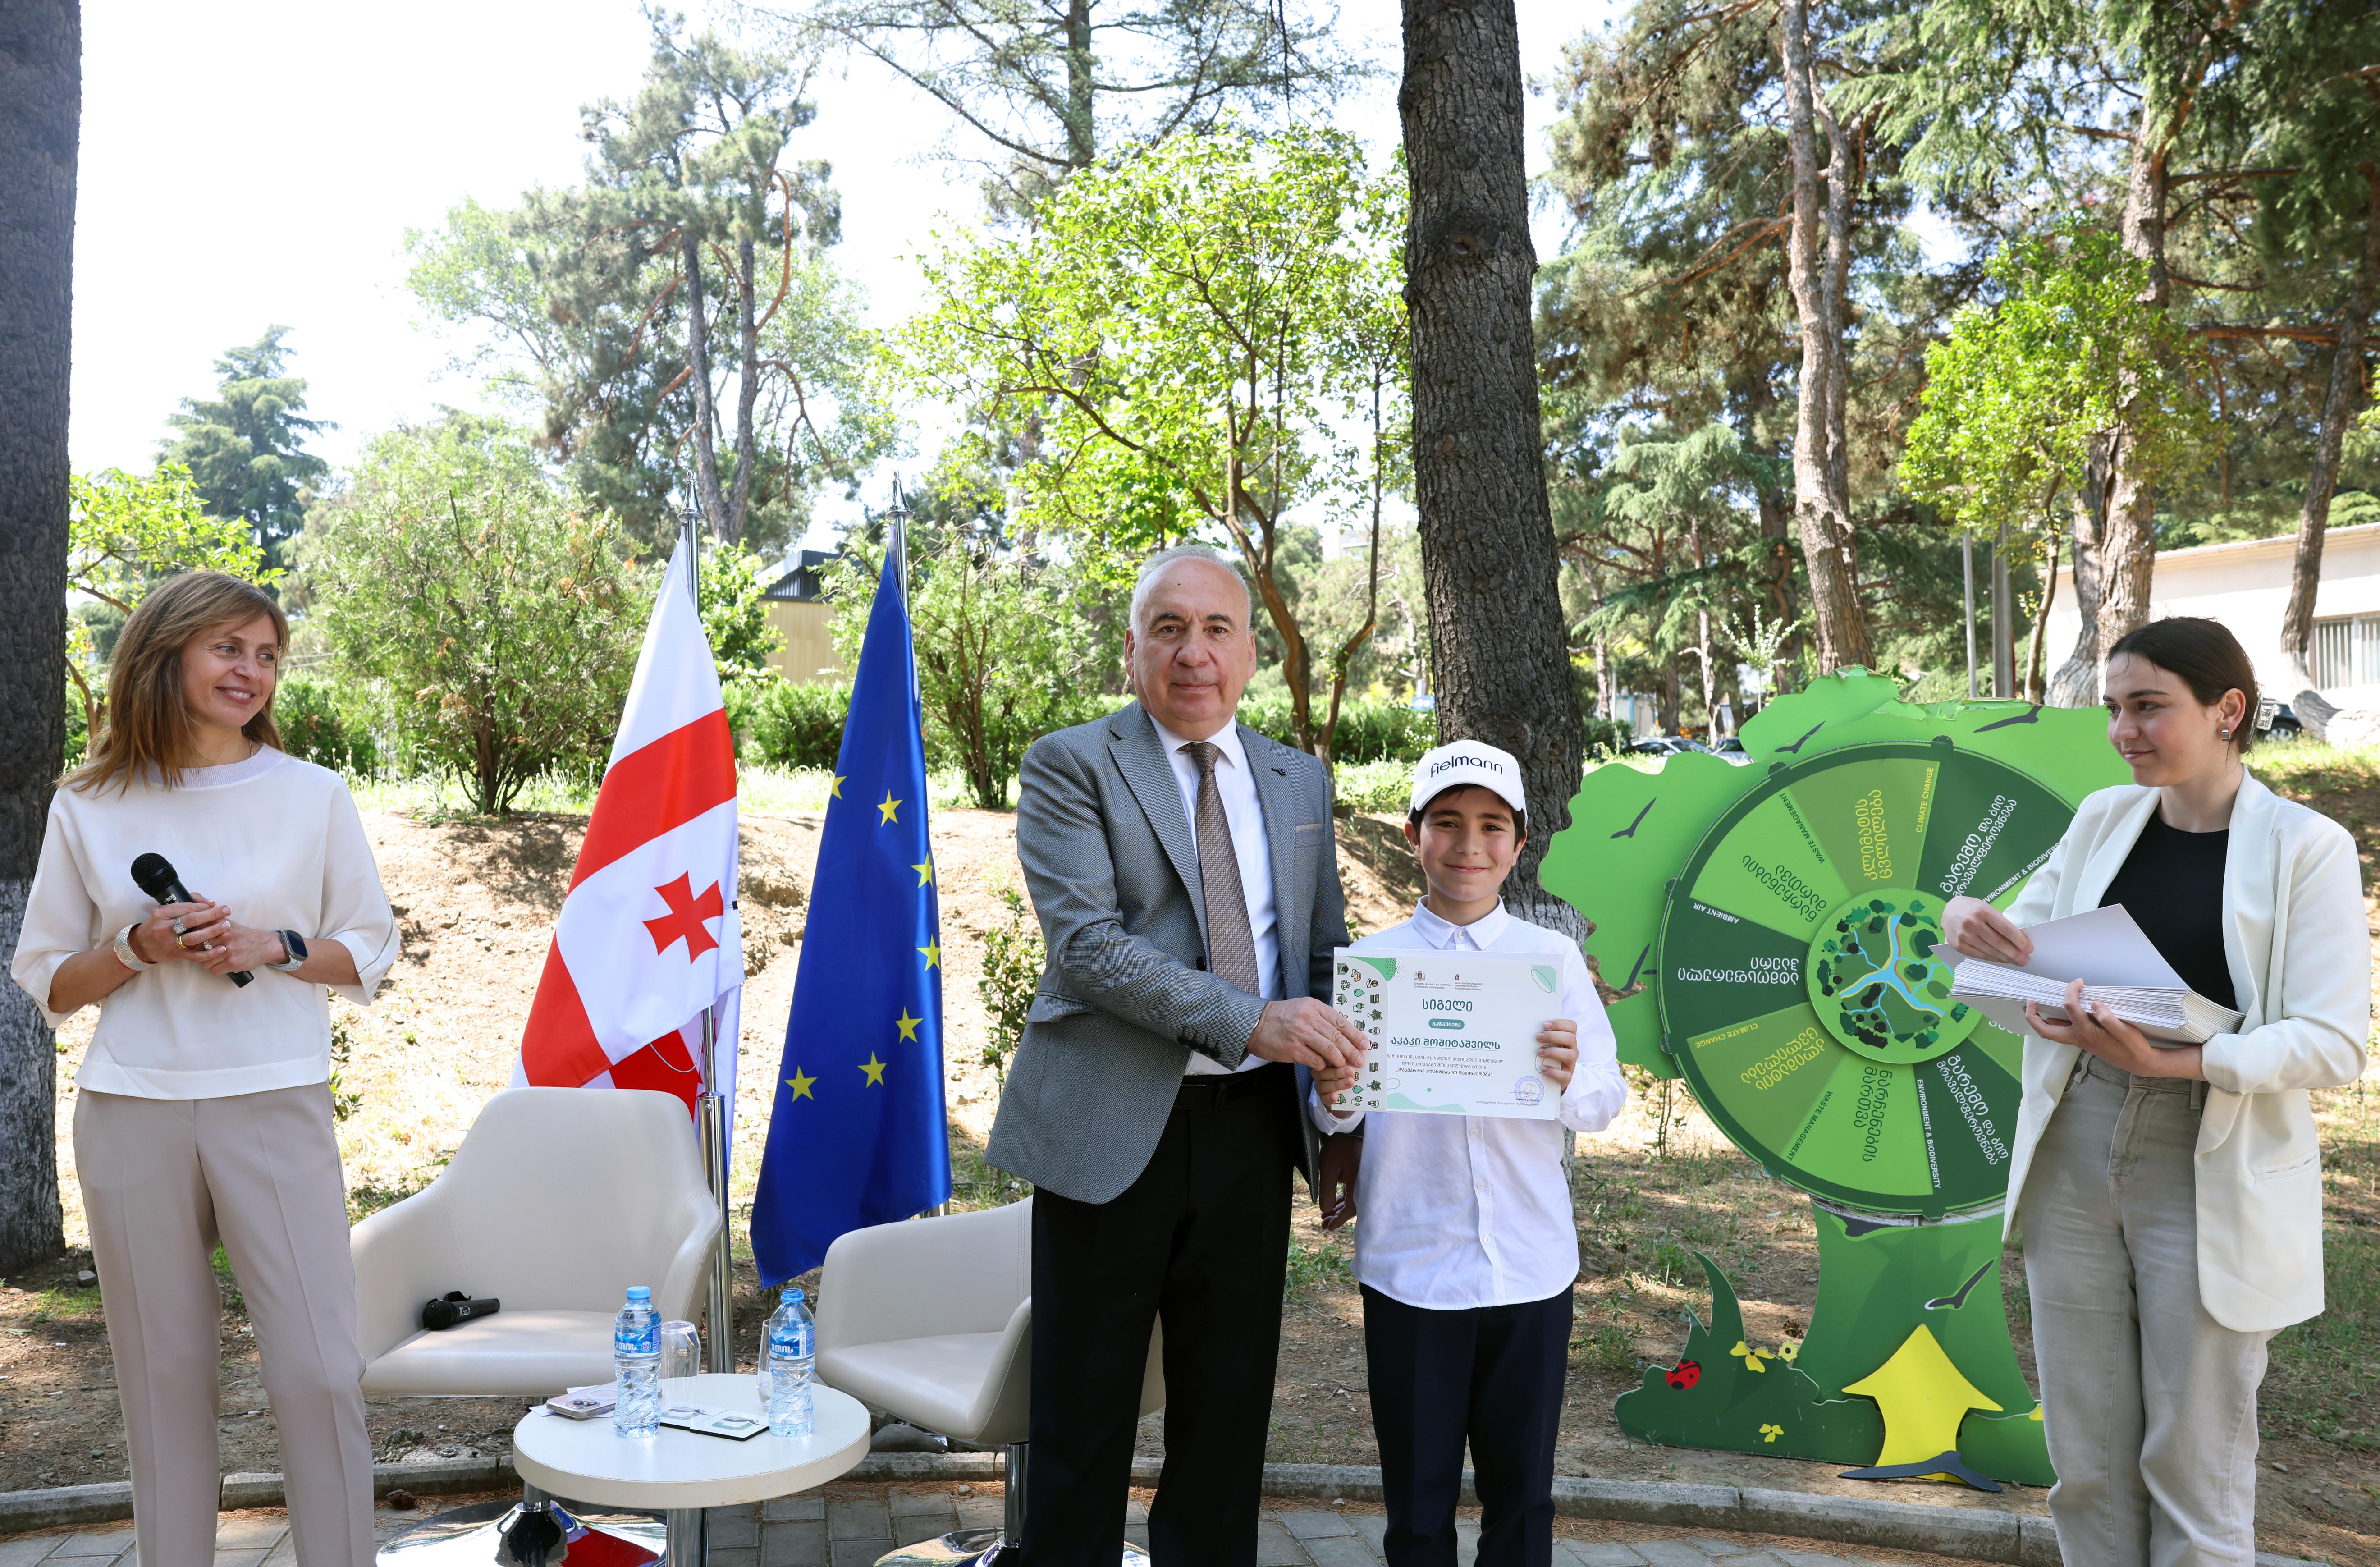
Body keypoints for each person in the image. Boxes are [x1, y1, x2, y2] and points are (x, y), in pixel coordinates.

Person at [1943, 617, 2367, 1567]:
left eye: (2147, 706)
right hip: (2079, 1137)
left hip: (2211, 1148)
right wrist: (1969, 921)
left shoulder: (2308, 847)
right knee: (2086, 1465)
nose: (2123, 731)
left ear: (2228, 711)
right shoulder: (2103, 818)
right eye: (2114, 708)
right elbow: (2021, 956)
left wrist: (2181, 1064)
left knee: (2195, 1468)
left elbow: (2335, 1042)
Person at [10, 572, 401, 1567]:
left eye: (267, 655)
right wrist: (137, 947)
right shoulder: (89, 804)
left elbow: (370, 947)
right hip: (131, 1113)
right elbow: (51, 979)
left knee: (319, 1371)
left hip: (274, 1100)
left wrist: (274, 945)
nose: (252, 671)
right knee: (164, 1382)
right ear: (165, 651)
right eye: (229, 647)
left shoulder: (312, 794)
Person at [988, 545, 1368, 1567]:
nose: (1193, 653)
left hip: (1253, 1135)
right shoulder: (1071, 764)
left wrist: (1342, 1094)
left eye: (1215, 629)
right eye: (1169, 629)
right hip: (1110, 1130)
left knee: (1227, 1418)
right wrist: (1253, 1020)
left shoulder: (1298, 778)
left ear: (1251, 652)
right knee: (1083, 1417)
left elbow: (1322, 953)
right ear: (1132, 651)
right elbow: (1089, 947)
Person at [1312, 740, 1626, 1567]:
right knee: (1417, 1506)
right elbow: (1339, 1116)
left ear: (1519, 844)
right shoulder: (1373, 965)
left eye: (1492, 827)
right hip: (1412, 1269)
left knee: (1522, 1502)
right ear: (1413, 835)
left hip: (1530, 1267)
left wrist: (1569, 1077)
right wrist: (1335, 1092)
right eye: (1447, 823)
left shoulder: (1550, 961)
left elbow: (1605, 1099)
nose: (1468, 846)